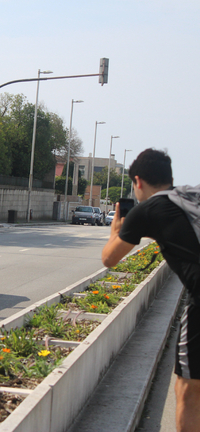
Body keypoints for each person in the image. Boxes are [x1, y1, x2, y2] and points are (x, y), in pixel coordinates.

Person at [101, 148, 200, 432]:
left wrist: (115, 230)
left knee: (187, 389)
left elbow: (109, 258)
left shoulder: (147, 209)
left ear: (138, 182)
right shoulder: (189, 197)